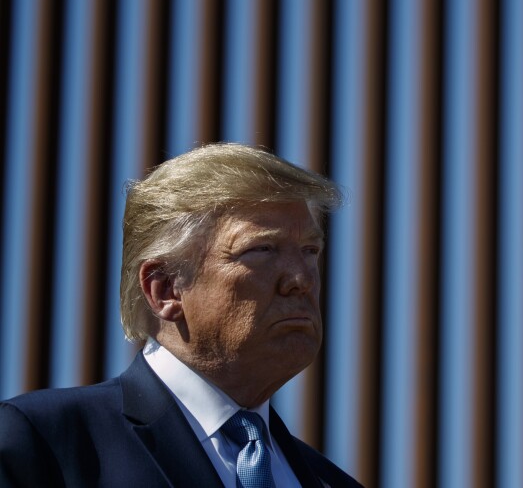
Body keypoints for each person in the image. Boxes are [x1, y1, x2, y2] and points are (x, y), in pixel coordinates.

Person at [0, 143, 363, 487]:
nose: (301, 279)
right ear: (165, 288)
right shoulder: (42, 443)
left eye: (310, 250)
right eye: (262, 249)